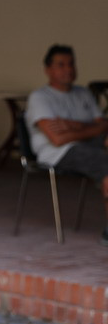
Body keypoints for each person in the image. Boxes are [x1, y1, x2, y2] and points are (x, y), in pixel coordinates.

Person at [25, 44, 108, 245]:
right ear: (48, 69)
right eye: (61, 65)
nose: (68, 69)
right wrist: (90, 128)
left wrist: (73, 126)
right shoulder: (40, 97)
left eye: (71, 64)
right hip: (58, 152)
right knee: (104, 162)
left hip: (88, 144)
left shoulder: (83, 93)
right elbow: (57, 139)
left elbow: (104, 125)